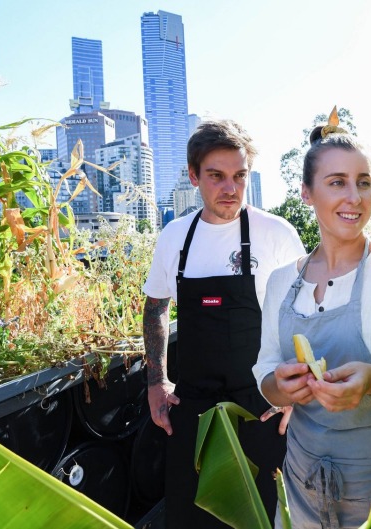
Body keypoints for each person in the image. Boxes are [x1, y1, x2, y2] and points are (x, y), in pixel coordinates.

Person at [142, 119, 305, 528]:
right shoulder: (175, 237)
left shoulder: (275, 234)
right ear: (194, 176)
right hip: (192, 408)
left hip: (262, 407)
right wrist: (156, 381)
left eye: (239, 176)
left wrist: (295, 393)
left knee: (266, 517)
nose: (230, 188)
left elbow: (305, 313)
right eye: (216, 176)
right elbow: (156, 305)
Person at [252, 111, 371, 529]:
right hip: (300, 484)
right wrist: (281, 388)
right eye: (337, 182)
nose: (354, 198)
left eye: (364, 182)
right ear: (307, 193)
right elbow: (266, 371)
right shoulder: (282, 281)